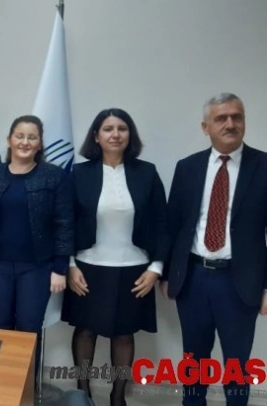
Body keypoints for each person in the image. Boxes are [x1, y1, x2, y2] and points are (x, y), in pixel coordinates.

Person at [162, 93, 267, 406]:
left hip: (240, 282)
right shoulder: (187, 168)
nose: (230, 124)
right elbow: (173, 225)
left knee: (237, 365)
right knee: (194, 362)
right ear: (205, 127)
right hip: (193, 279)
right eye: (221, 118)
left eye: (237, 117)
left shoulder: (264, 166)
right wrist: (167, 274)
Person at [62, 108, 168, 406]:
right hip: (87, 268)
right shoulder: (79, 174)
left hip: (134, 270)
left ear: (129, 135)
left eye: (122, 128)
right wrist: (69, 265)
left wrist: (156, 267)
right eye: (108, 129)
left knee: (123, 334)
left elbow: (162, 223)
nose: (115, 134)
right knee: (86, 332)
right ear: (96, 136)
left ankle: (117, 397)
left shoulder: (147, 172)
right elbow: (65, 222)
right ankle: (82, 394)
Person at [0, 115, 72, 370]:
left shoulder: (54, 176)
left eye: (32, 137)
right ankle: (2, 384)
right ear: (9, 140)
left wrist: (60, 267)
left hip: (36, 268)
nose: (25, 142)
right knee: (0, 327)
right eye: (20, 136)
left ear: (39, 144)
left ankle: (27, 388)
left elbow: (64, 223)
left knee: (29, 329)